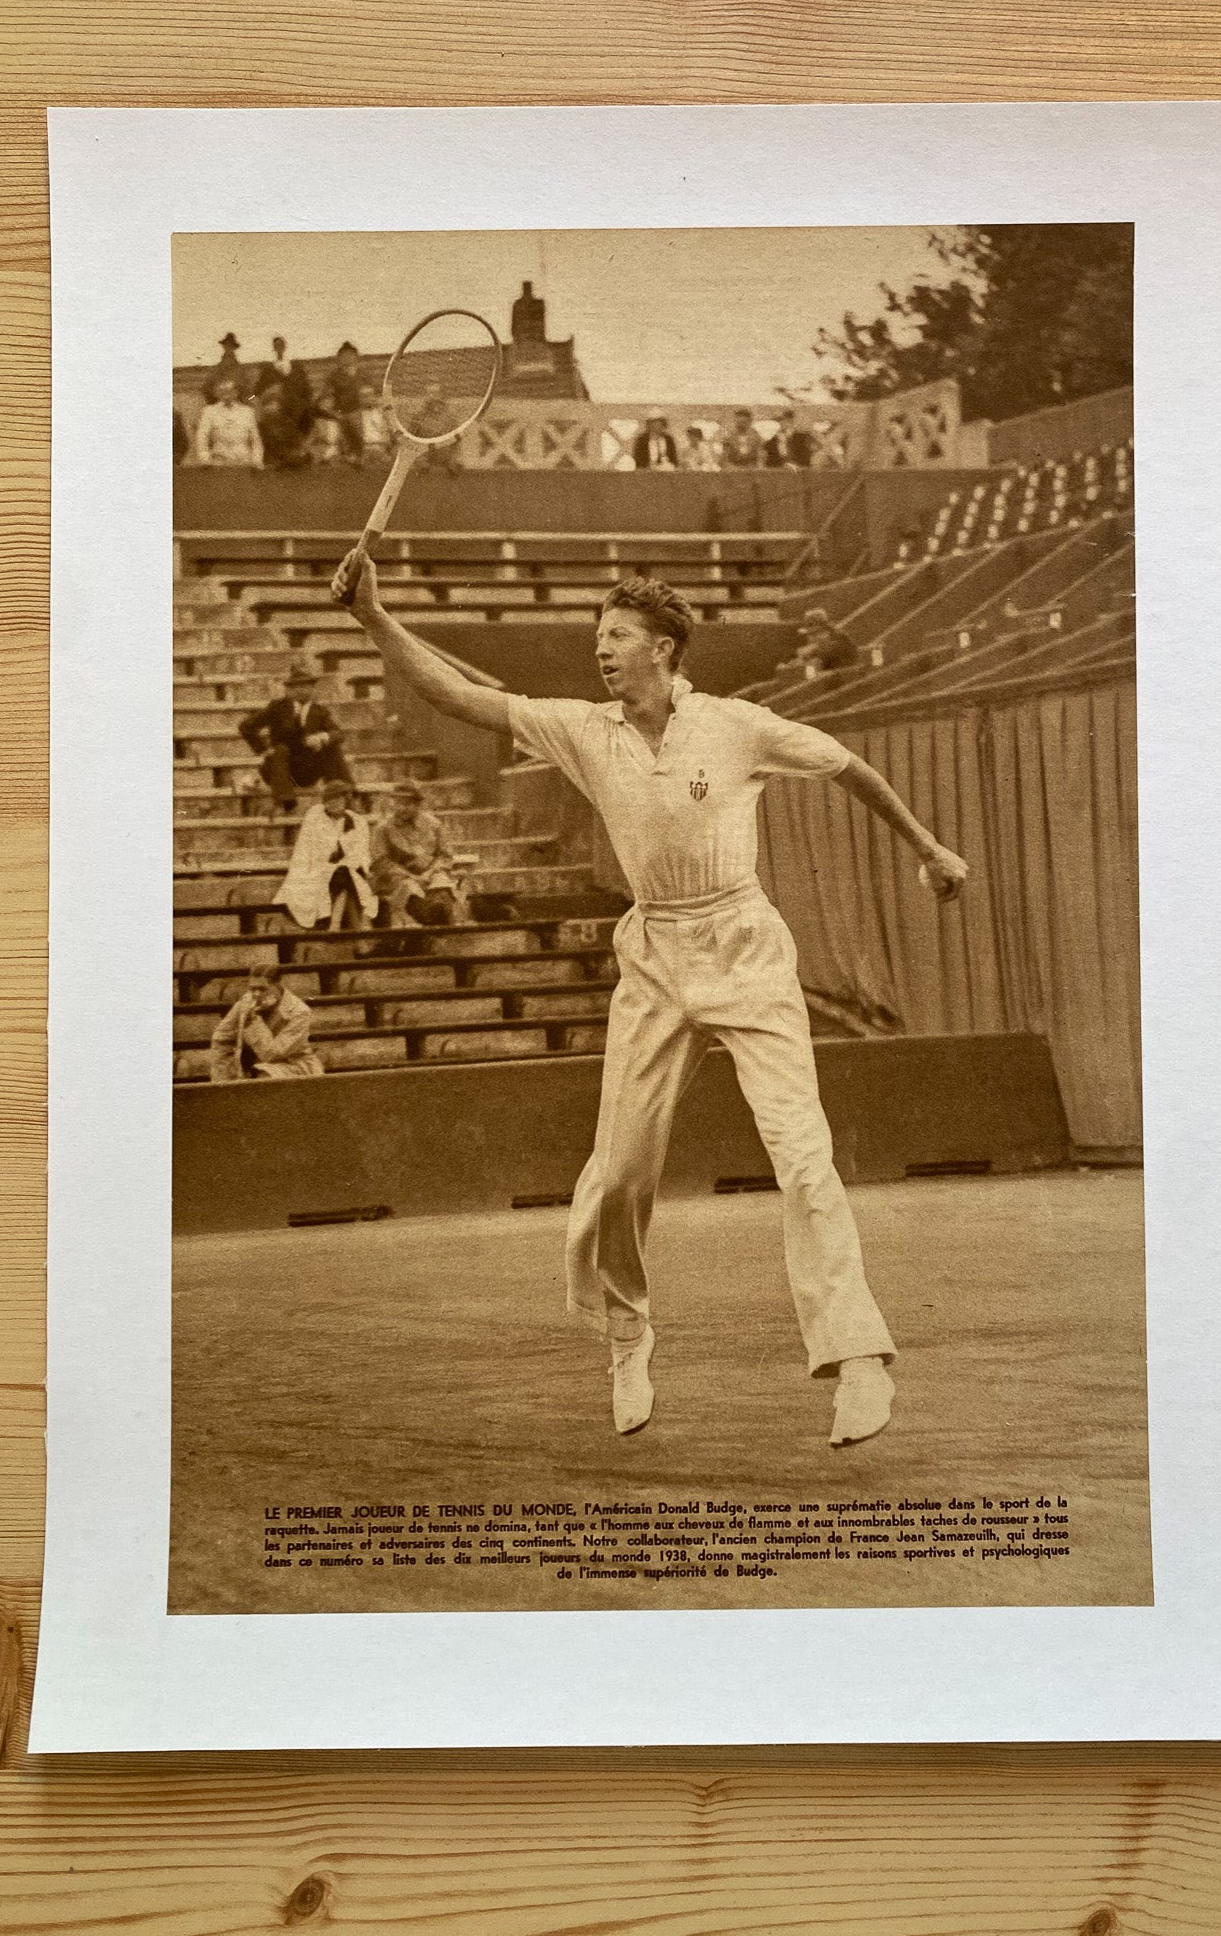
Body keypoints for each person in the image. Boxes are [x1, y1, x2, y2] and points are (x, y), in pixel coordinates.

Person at [331, 548, 970, 1448]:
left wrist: (930, 847)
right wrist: (376, 619)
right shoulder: (582, 730)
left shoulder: (739, 725)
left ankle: (856, 1359)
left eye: (619, 636)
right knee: (623, 1168)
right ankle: (628, 1336)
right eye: (598, 635)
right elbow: (460, 699)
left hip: (745, 947)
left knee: (802, 1152)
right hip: (656, 956)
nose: (602, 650)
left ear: (664, 648)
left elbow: (850, 769)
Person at [237, 660, 351, 810]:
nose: (301, 690)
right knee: (281, 749)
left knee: (332, 748)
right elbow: (246, 726)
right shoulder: (277, 708)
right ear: (289, 689)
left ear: (312, 688)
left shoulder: (319, 711)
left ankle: (346, 793)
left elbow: (338, 734)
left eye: (305, 686)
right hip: (278, 770)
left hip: (305, 771)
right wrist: (263, 750)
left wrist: (322, 737)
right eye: (296, 686)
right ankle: (286, 801)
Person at [275, 777, 378, 931]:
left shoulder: (357, 821)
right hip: (318, 870)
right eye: (329, 800)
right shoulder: (315, 816)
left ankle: (337, 926)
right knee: (344, 875)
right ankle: (360, 928)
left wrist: (354, 864)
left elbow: (361, 852)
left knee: (348, 874)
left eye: (338, 799)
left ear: (346, 800)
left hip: (349, 870)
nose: (333, 803)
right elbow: (308, 850)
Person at [370, 779, 468, 926]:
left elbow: (445, 855)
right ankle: (427, 919)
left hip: (430, 875)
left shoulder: (433, 825)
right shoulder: (383, 829)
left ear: (417, 805)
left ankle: (443, 919)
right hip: (398, 879)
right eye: (398, 803)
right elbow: (381, 863)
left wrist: (431, 873)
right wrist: (411, 877)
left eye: (407, 804)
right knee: (410, 893)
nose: (402, 808)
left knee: (442, 888)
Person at [208, 965, 324, 1082]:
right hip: (252, 1066)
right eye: (252, 989)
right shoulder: (246, 1002)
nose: (256, 994)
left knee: (265, 1075)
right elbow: (221, 1038)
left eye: (263, 989)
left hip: (292, 1066)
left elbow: (272, 1054)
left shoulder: (299, 1012)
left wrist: (253, 1022)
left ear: (278, 985)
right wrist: (223, 1078)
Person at [253, 336, 315, 467]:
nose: (279, 348)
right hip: (276, 414)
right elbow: (254, 394)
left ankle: (298, 456)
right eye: (276, 346)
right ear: (273, 348)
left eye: (281, 345)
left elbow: (308, 392)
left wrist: (305, 407)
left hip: (296, 413)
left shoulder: (296, 368)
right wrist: (258, 404)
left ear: (285, 346)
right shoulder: (267, 370)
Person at [192, 378, 263, 467]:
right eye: (222, 391)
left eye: (230, 391)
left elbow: (256, 440)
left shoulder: (248, 412)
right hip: (218, 461)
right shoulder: (209, 411)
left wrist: (257, 460)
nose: (226, 395)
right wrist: (205, 459)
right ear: (217, 393)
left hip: (244, 461)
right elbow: (202, 437)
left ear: (236, 392)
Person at [328, 341, 366, 463]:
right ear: (339, 358)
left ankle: (359, 455)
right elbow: (327, 395)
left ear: (355, 357)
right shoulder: (334, 376)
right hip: (340, 412)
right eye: (343, 356)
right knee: (344, 424)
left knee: (358, 422)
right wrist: (335, 412)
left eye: (350, 355)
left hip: (359, 410)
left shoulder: (362, 374)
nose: (347, 359)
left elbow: (371, 392)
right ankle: (347, 454)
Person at [202, 331, 244, 401]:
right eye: (227, 345)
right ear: (224, 347)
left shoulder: (241, 370)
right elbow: (206, 388)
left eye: (231, 346)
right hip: (218, 404)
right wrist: (214, 401)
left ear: (234, 348)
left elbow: (249, 392)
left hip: (237, 405)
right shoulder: (216, 369)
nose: (229, 348)